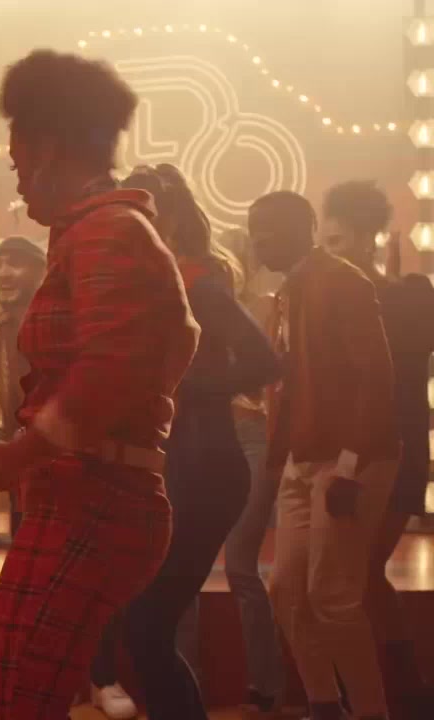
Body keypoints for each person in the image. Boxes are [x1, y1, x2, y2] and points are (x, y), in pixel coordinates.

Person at [0, 50, 199, 720]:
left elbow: (109, 368)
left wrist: (20, 454)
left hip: (93, 500)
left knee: (17, 703)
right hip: (85, 495)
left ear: (48, 148)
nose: (17, 176)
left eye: (18, 157)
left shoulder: (107, 231)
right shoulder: (101, 231)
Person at [120, 165, 281, 720]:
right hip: (177, 467)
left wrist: (191, 387)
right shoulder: (157, 284)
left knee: (146, 625)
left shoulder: (199, 285)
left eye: (144, 211)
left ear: (168, 217)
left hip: (206, 470)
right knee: (147, 627)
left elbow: (264, 360)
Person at [251, 190, 400, 720]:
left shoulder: (343, 281)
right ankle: (325, 705)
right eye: (254, 230)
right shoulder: (289, 291)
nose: (257, 241)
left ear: (303, 228)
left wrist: (349, 466)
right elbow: (292, 383)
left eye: (267, 229)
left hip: (349, 460)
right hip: (305, 459)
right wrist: (280, 459)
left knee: (332, 597)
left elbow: (376, 378)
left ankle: (371, 712)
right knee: (287, 591)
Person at [320, 180, 434, 719]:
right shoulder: (343, 297)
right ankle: (400, 689)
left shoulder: (404, 296)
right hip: (358, 451)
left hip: (396, 450)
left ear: (369, 236)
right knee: (361, 574)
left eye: (339, 241)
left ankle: (390, 692)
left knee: (359, 572)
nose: (332, 253)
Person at [215, 225, 287, 713]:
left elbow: (270, 379)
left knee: (241, 564)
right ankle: (184, 680)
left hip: (253, 436)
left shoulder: (267, 307)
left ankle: (267, 686)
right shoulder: (201, 310)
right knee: (182, 564)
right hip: (207, 438)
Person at [0, 235, 45, 551]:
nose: (3, 273)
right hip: (21, 446)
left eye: (15, 264)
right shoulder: (4, 325)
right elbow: (3, 386)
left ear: (40, 271)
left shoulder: (46, 323)